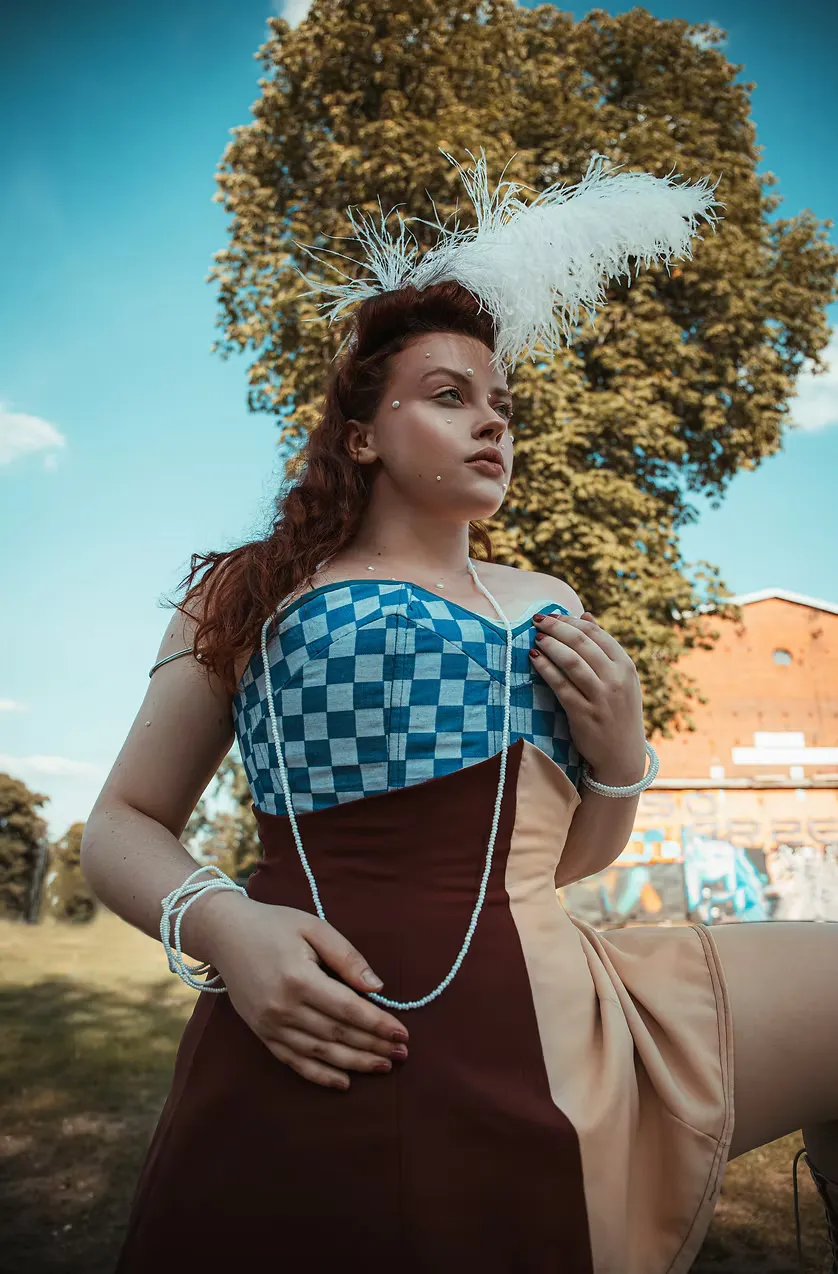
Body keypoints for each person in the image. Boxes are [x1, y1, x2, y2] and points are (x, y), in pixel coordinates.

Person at [80, 155, 838, 1273]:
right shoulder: (250, 586)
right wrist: (225, 926)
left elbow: (566, 856)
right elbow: (122, 821)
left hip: (565, 1005)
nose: (492, 425)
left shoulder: (549, 599)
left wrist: (624, 754)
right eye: (448, 397)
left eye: (501, 406)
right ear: (360, 434)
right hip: (320, 1012)